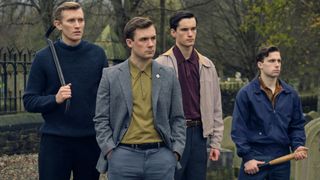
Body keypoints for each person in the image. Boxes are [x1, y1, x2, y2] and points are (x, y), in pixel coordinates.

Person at [23, 2, 108, 180]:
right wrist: (55, 98)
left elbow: (106, 98)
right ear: (58, 24)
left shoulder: (97, 54)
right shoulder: (43, 57)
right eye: (71, 21)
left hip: (89, 141)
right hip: (55, 142)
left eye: (81, 20)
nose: (77, 25)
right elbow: (29, 101)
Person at [93, 17, 186, 180]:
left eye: (153, 38)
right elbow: (101, 119)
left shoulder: (168, 75)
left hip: (161, 158)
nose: (151, 44)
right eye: (144, 39)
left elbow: (178, 117)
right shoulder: (110, 76)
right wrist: (110, 151)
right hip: (123, 157)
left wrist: (175, 152)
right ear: (130, 42)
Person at [156, 11, 224, 180]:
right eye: (185, 29)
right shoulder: (159, 65)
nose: (190, 34)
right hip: (173, 134)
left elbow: (216, 107)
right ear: (173, 32)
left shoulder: (207, 65)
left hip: (199, 135)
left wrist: (216, 142)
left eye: (193, 29)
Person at [231, 46, 308, 180]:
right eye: (271, 61)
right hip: (255, 160)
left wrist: (298, 145)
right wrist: (248, 158)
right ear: (260, 64)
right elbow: (239, 130)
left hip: (281, 160)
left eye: (279, 61)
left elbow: (296, 126)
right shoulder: (246, 94)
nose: (277, 65)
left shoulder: (291, 94)